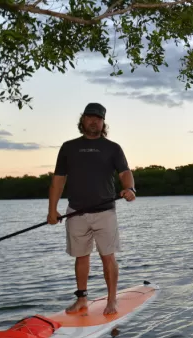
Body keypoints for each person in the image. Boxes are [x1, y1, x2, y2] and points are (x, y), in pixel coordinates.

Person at [48, 103, 136, 316]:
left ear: (103, 123)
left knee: (108, 256)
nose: (94, 121)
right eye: (90, 117)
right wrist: (52, 210)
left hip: (105, 212)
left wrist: (130, 188)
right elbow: (58, 180)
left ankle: (112, 300)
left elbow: (125, 173)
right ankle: (82, 299)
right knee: (81, 257)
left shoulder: (113, 148)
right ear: (83, 120)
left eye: (98, 118)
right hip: (76, 211)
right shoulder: (68, 147)